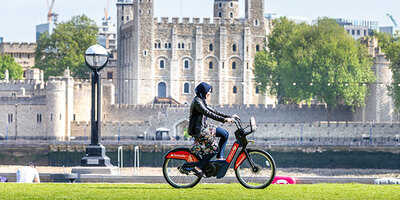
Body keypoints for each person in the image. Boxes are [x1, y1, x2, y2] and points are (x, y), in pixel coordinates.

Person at [188, 82, 237, 175]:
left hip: (204, 127)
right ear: (203, 91)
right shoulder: (197, 102)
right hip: (199, 130)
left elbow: (213, 111)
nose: (209, 93)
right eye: (208, 91)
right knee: (214, 148)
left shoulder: (202, 100)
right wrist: (224, 120)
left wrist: (230, 116)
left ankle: (219, 158)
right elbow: (208, 113)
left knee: (225, 134)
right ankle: (198, 167)